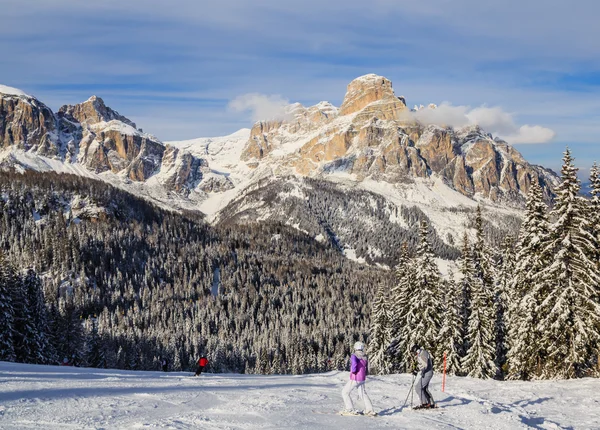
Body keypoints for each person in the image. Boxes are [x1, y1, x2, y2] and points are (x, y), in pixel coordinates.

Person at [341, 341, 376, 416]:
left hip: (355, 377)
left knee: (345, 392)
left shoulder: (354, 355)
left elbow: (354, 364)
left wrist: (353, 371)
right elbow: (368, 367)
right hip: (362, 378)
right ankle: (369, 410)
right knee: (363, 394)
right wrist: (365, 374)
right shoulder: (365, 356)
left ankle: (349, 409)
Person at [411, 344, 435, 409]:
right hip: (426, 373)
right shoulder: (420, 354)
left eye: (414, 352)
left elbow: (425, 365)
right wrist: (416, 367)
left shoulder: (423, 353)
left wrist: (417, 370)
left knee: (418, 387)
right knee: (424, 389)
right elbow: (421, 364)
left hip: (427, 372)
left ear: (417, 350)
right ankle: (430, 403)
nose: (414, 354)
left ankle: (425, 403)